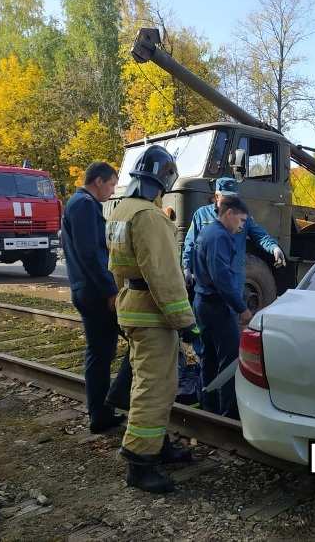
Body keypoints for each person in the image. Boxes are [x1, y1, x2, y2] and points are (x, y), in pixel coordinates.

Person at [106, 145, 198, 493]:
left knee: (153, 380)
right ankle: (140, 461)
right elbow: (164, 275)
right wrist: (185, 321)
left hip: (133, 307)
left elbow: (115, 268)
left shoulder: (119, 211)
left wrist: (120, 304)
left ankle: (157, 444)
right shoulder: (150, 216)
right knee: (153, 387)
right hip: (152, 314)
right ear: (164, 180)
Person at [62, 162, 129, 433]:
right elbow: (90, 254)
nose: (112, 191)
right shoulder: (84, 205)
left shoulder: (78, 203)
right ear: (99, 181)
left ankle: (102, 411)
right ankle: (107, 405)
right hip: (95, 292)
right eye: (112, 184)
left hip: (87, 289)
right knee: (135, 341)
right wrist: (110, 291)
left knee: (101, 353)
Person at [193, 195, 253, 418]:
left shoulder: (208, 232)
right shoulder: (221, 236)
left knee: (208, 357)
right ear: (229, 214)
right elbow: (222, 277)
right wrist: (241, 308)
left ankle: (208, 407)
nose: (241, 226)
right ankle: (228, 414)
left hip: (202, 303)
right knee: (229, 361)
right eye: (241, 220)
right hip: (217, 307)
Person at [181, 177, 286, 295]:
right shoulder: (201, 215)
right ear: (217, 197)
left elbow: (260, 235)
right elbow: (190, 243)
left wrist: (274, 248)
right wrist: (186, 268)